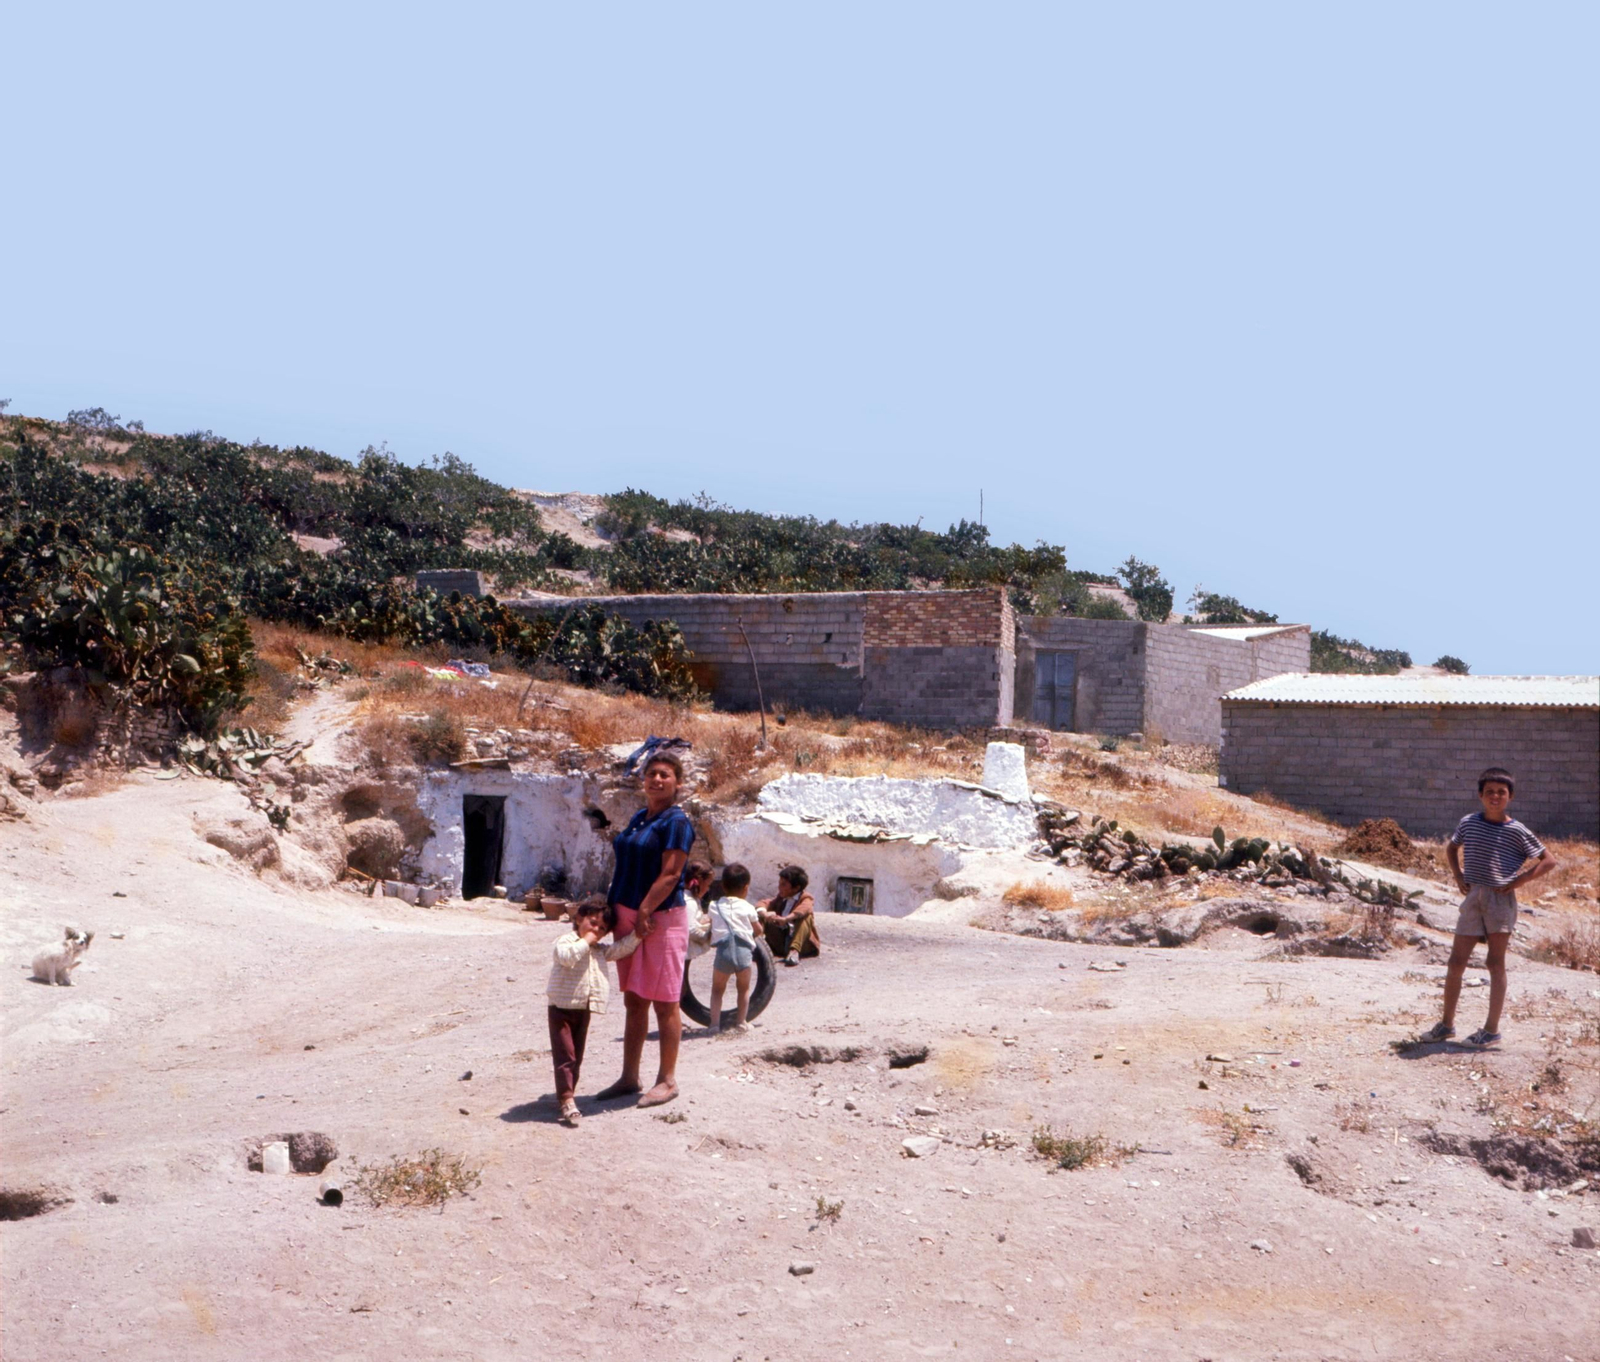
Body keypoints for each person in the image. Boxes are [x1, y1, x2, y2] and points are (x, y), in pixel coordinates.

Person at [1420, 767, 1558, 1048]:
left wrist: (1519, 881)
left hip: (1499, 900)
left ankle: (1491, 1030)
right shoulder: (1469, 822)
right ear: (1480, 795)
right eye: (1490, 792)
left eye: (1501, 792)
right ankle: (1446, 1024)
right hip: (1473, 897)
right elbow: (1452, 848)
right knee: (1456, 962)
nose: (1495, 796)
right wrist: (1458, 875)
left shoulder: (1517, 830)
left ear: (1510, 796)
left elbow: (1549, 860)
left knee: (1495, 963)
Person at [596, 752, 695, 1108]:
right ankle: (629, 1077)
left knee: (665, 1002)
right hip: (629, 914)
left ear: (677, 782)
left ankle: (667, 1080)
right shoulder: (641, 818)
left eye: (665, 774)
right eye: (651, 773)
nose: (656, 780)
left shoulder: (677, 822)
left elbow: (671, 874)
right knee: (634, 999)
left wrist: (645, 910)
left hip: (658, 918)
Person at [545, 902, 639, 1126]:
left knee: (576, 1057)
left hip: (583, 1009)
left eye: (602, 928)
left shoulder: (598, 951)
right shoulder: (565, 941)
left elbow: (620, 949)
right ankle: (567, 1099)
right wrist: (585, 941)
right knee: (565, 1056)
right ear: (579, 919)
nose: (596, 930)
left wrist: (638, 935)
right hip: (560, 1008)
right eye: (592, 923)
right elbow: (566, 957)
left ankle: (568, 1095)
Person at [706, 863, 762, 1033]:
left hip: (723, 953)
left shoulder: (714, 906)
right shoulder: (748, 907)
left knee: (717, 989)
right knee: (743, 988)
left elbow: (710, 924)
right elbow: (758, 930)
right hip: (744, 953)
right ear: (746, 888)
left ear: (723, 886)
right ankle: (741, 1022)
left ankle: (714, 1025)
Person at [759, 865, 820, 966]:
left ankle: (794, 951)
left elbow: (805, 908)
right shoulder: (781, 898)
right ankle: (759, 948)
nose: (779, 887)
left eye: (783, 885)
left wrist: (786, 919)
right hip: (781, 941)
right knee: (760, 915)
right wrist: (766, 914)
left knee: (806, 917)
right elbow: (763, 903)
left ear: (796, 888)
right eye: (779, 883)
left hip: (801, 944)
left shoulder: (805, 898)